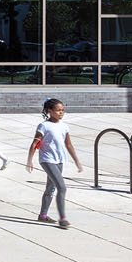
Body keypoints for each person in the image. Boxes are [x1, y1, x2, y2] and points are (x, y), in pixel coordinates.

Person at [25, 98, 82, 228]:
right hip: (47, 160)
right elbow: (35, 144)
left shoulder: (64, 126)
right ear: (49, 111)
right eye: (58, 110)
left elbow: (68, 144)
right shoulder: (44, 126)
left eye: (63, 110)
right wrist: (29, 160)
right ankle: (63, 218)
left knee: (51, 188)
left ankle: (43, 215)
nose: (61, 112)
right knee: (61, 187)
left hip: (60, 160)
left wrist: (77, 160)